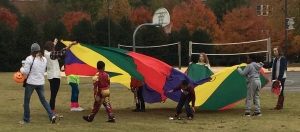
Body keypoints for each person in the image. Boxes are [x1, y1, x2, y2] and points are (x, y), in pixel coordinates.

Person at [19, 43, 56, 124]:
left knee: (26, 101)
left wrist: (21, 69)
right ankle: (51, 115)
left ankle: (26, 119)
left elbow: (26, 71)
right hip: (40, 82)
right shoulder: (44, 59)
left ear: (32, 50)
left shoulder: (29, 59)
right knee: (44, 101)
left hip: (31, 82)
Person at [44, 39, 77, 115]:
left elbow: (55, 50)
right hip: (55, 76)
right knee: (53, 95)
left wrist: (55, 42)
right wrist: (70, 45)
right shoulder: (51, 54)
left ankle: (51, 110)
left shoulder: (46, 53)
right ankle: (52, 111)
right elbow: (61, 52)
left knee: (53, 94)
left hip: (50, 76)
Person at [260, 46, 287, 110]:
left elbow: (282, 69)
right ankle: (279, 105)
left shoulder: (282, 58)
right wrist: (263, 65)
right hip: (275, 77)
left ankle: (279, 105)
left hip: (281, 77)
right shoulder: (274, 59)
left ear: (279, 51)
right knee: (277, 91)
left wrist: (279, 78)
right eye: (274, 51)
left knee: (281, 90)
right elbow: (269, 65)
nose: (274, 52)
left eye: (275, 51)